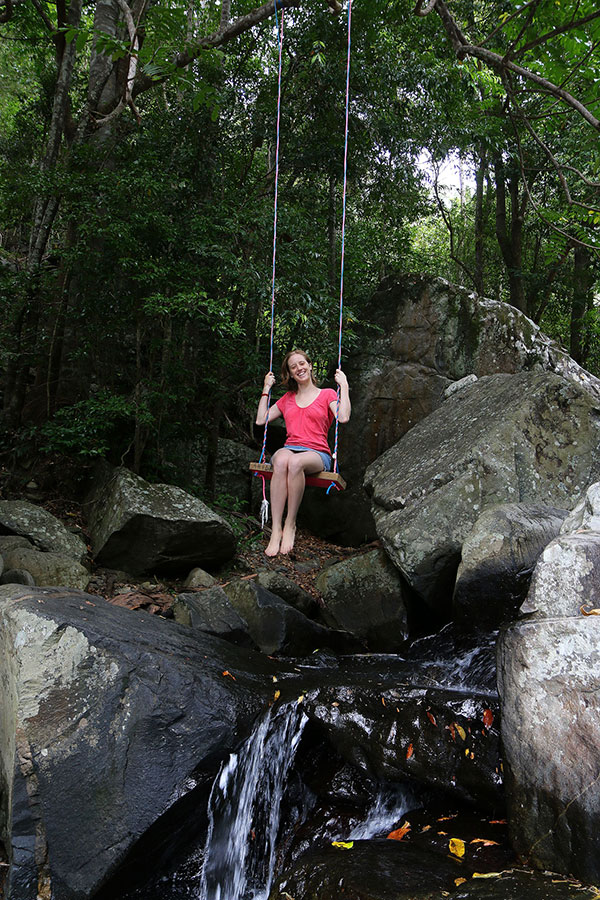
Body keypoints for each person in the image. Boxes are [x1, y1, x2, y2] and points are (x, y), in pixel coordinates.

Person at [256, 349, 351, 557]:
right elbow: (261, 419)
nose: (299, 368)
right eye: (293, 367)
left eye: (302, 363)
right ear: (290, 374)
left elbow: (343, 417)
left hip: (317, 453)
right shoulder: (288, 399)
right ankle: (276, 529)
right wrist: (266, 388)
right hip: (290, 448)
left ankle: (290, 525)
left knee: (295, 462)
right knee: (280, 459)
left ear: (309, 365)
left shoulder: (327, 394)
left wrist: (344, 385)